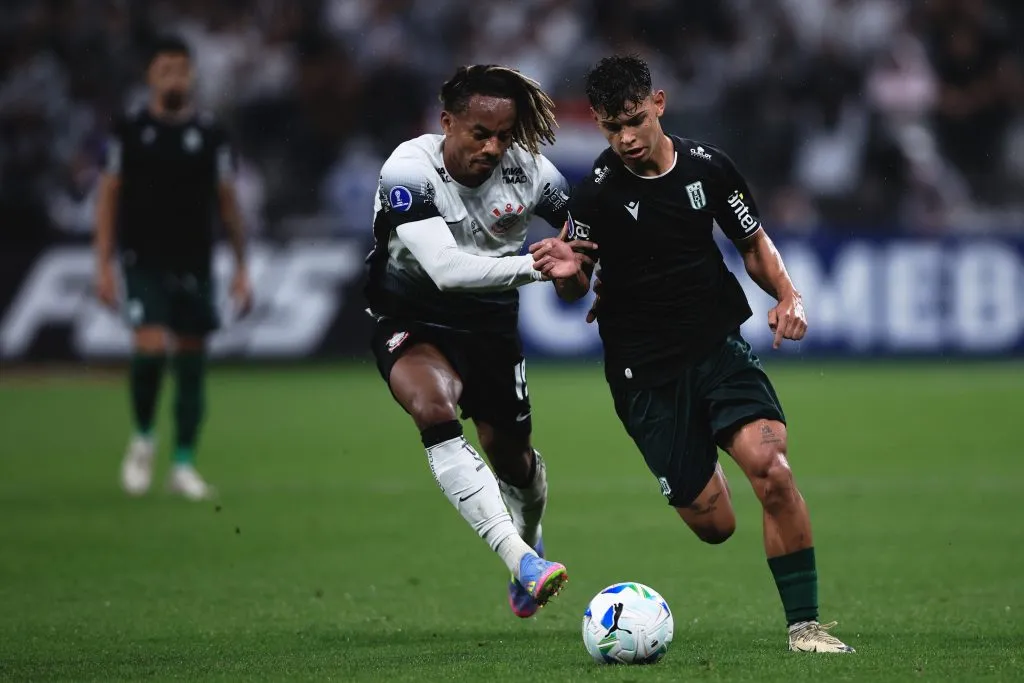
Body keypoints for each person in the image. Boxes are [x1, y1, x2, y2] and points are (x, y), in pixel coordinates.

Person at [535, 55, 854, 652]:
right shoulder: (597, 193)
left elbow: (753, 243)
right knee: (715, 525)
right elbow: (577, 281)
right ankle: (699, 461)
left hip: (717, 349)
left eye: (633, 119)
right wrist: (567, 271)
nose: (625, 138)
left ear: (658, 104)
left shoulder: (709, 168)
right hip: (644, 375)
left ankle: (805, 626)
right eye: (611, 127)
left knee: (774, 474)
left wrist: (789, 295)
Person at [364, 64, 593, 617]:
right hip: (411, 316)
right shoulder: (408, 169)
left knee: (514, 462)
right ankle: (521, 561)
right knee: (432, 407)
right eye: (480, 133)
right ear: (448, 122)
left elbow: (580, 259)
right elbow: (445, 269)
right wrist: (539, 271)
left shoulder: (535, 174)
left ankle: (530, 536)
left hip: (490, 326)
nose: (494, 147)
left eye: (505, 135)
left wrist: (575, 275)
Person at [94, 36, 252, 501]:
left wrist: (242, 266)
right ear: (150, 75)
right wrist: (102, 263)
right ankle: (143, 439)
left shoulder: (210, 133)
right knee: (149, 346)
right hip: (142, 258)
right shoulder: (129, 129)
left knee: (191, 359)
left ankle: (183, 462)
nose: (174, 77)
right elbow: (108, 196)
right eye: (165, 69)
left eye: (181, 69)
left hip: (196, 260)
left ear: (192, 75)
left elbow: (228, 204)